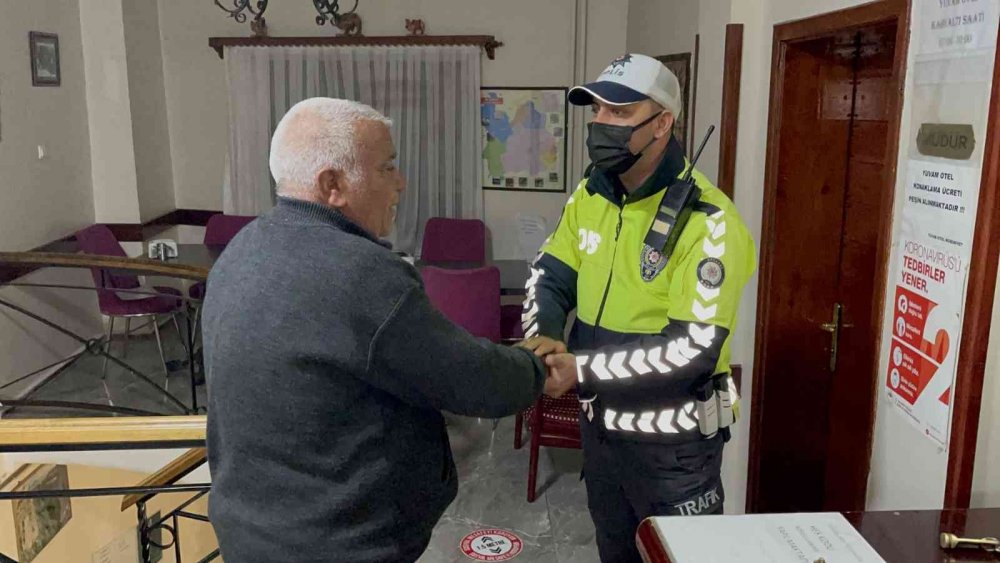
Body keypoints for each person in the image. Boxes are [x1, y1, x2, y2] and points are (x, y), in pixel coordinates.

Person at [202, 97, 576, 562]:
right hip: (337, 545)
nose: (400, 182)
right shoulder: (362, 273)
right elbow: (473, 380)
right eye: (386, 168)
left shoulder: (242, 247)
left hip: (249, 532)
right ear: (332, 184)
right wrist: (535, 365)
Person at [519, 54, 757, 562]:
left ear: (662, 124)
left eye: (620, 113)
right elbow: (550, 273)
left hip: (676, 454)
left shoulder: (710, 223)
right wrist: (543, 336)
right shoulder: (591, 194)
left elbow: (690, 351)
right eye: (598, 111)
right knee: (615, 552)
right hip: (601, 436)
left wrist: (579, 369)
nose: (601, 124)